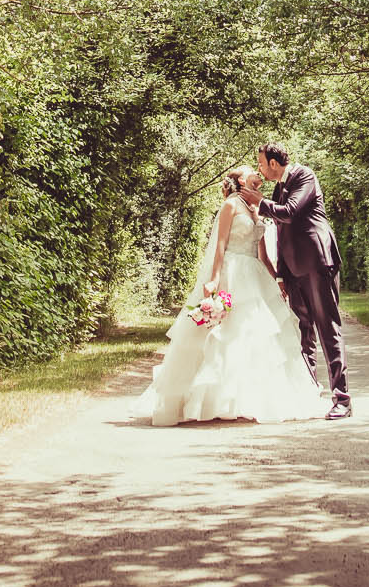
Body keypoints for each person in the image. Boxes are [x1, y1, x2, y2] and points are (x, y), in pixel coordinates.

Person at [134, 166, 324, 426]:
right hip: (233, 272)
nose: (258, 174)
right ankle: (212, 400)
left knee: (256, 334)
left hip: (255, 274)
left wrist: (276, 278)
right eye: (251, 171)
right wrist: (213, 278)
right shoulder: (230, 206)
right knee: (227, 335)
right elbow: (220, 244)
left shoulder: (256, 208)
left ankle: (249, 399)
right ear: (240, 181)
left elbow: (263, 253)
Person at [255, 143, 352, 419]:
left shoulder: (304, 176)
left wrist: (257, 202)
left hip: (318, 263)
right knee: (302, 332)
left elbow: (289, 211)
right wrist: (282, 274)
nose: (260, 170)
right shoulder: (278, 188)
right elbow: (282, 234)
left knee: (327, 328)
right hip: (294, 270)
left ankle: (342, 398)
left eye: (262, 164)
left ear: (274, 163)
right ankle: (310, 391)